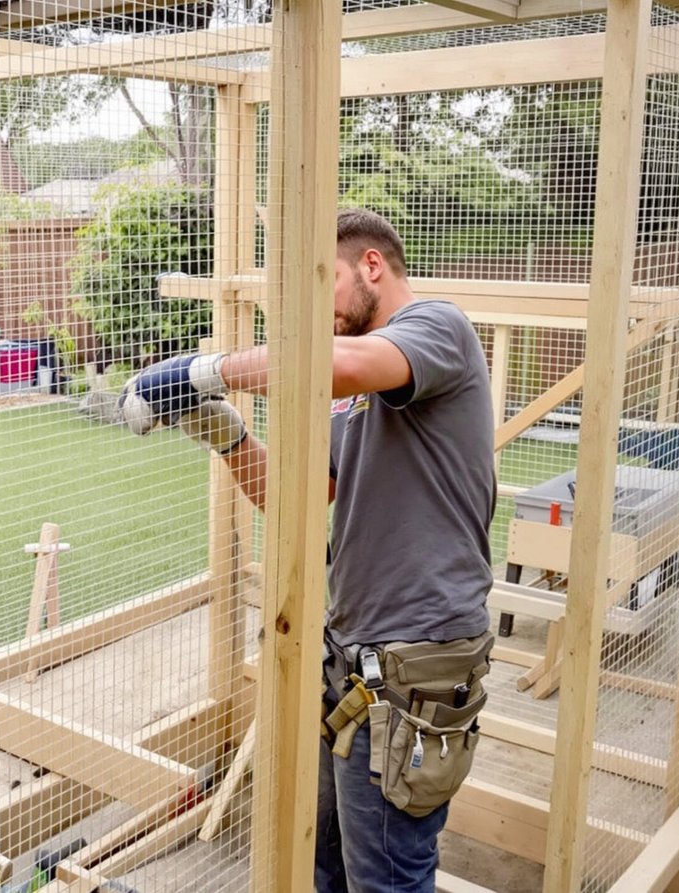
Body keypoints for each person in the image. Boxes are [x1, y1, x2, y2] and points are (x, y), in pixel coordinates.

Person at [120, 208, 496, 893]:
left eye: (328, 284)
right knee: (324, 860)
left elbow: (331, 363)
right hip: (350, 655)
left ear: (372, 266)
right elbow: (296, 498)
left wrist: (206, 370)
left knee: (386, 878)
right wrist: (228, 435)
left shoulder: (438, 328)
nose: (317, 313)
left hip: (415, 661)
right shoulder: (347, 390)